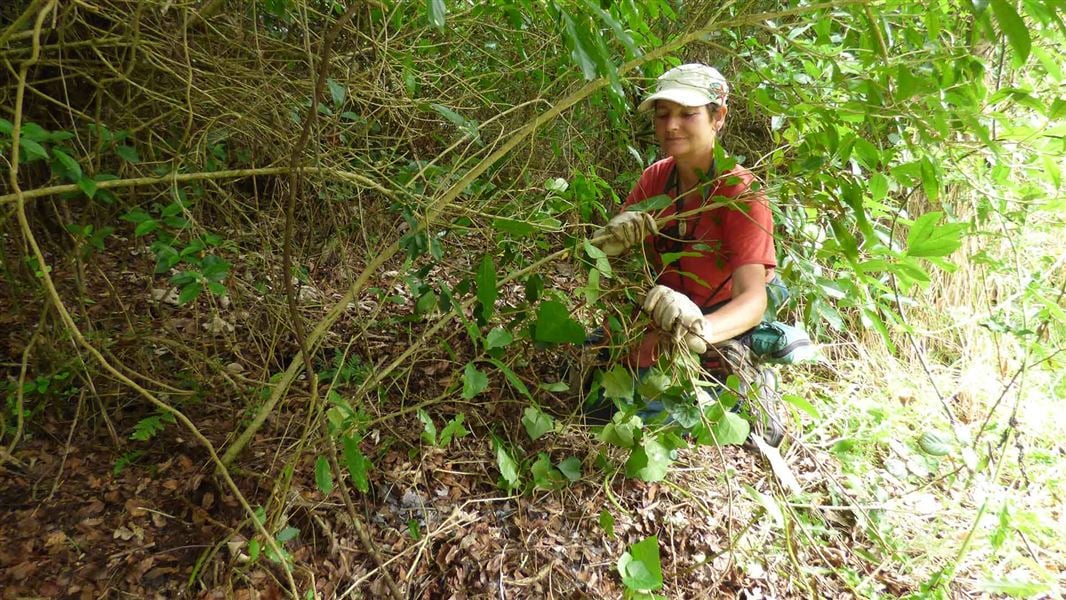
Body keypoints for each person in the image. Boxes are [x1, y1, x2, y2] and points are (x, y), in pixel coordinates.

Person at [591, 63, 783, 445]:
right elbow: (608, 267)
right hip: (662, 316)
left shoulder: (740, 194)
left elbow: (753, 297)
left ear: (718, 116)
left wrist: (703, 331)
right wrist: (606, 245)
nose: (671, 126)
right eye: (663, 115)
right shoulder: (655, 179)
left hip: (715, 322)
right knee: (596, 405)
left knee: (652, 423)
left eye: (687, 114)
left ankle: (750, 381)